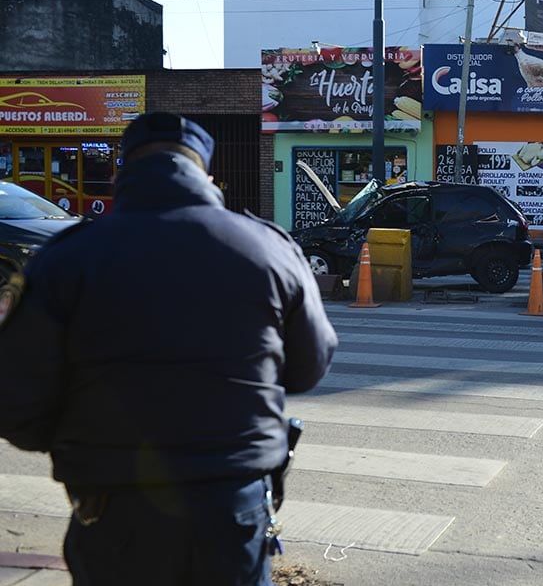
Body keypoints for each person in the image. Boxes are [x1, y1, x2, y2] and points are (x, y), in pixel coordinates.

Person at [0, 112, 339, 586]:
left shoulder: (66, 257)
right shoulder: (269, 248)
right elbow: (309, 368)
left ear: (121, 172)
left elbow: (16, 404)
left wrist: (87, 441)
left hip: (114, 510)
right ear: (206, 174)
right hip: (233, 509)